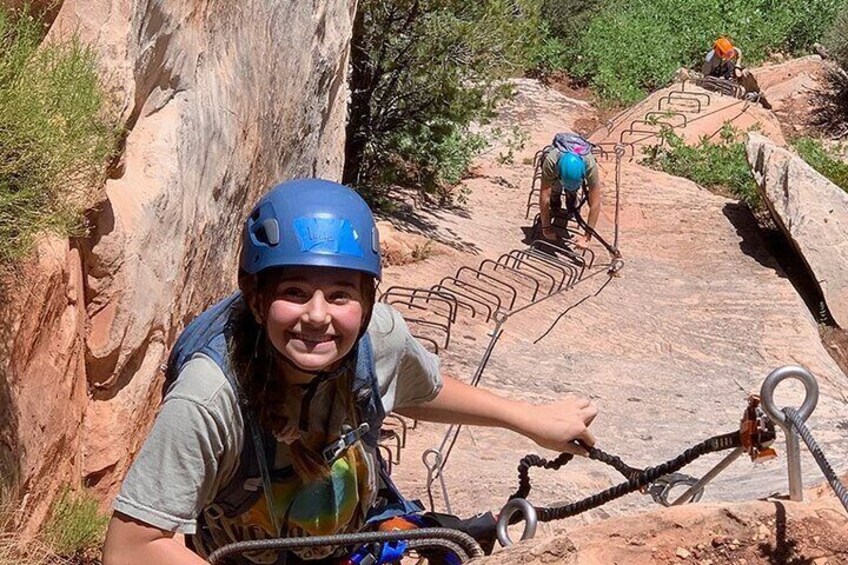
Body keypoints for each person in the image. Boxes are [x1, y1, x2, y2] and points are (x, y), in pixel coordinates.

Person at [101, 178, 599, 565]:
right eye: (294, 292)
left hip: (350, 542)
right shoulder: (211, 396)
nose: (317, 315)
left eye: (340, 295)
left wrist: (529, 419)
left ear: (366, 301)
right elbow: (132, 546)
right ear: (256, 299)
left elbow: (420, 391)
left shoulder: (377, 339)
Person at [538, 137, 602, 250]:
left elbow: (595, 203)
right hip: (557, 172)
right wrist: (546, 227)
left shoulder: (590, 165)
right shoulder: (551, 161)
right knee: (554, 191)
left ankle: (571, 202)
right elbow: (544, 195)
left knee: (571, 193)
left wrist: (587, 237)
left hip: (573, 172)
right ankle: (555, 206)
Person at [701, 37, 772, 110]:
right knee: (724, 85)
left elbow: (738, 51)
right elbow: (706, 75)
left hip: (728, 68)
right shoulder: (709, 61)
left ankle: (757, 93)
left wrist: (737, 66)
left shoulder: (728, 51)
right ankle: (742, 95)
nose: (726, 56)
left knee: (745, 73)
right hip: (717, 75)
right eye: (723, 53)